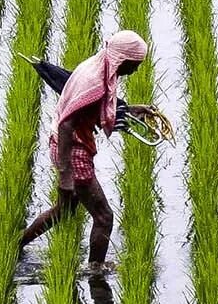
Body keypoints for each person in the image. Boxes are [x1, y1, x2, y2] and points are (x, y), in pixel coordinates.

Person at [19, 28, 150, 270]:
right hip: (72, 149)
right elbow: (67, 123)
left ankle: (16, 246)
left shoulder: (99, 64)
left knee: (64, 209)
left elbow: (93, 108)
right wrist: (66, 175)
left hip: (70, 143)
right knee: (104, 217)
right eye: (135, 64)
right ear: (123, 59)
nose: (136, 70)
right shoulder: (95, 82)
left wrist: (129, 110)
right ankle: (96, 270)